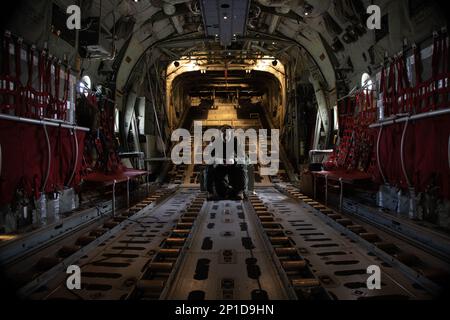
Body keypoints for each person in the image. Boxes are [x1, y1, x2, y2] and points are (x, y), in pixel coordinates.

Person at [206, 125, 247, 200]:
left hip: (232, 165)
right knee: (209, 166)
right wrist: (219, 161)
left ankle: (240, 191)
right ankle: (210, 192)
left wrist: (234, 160)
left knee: (242, 165)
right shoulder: (215, 140)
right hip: (220, 165)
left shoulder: (236, 140)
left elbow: (242, 156)